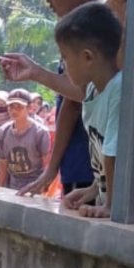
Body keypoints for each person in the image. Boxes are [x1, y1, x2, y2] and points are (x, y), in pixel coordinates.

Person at [0, 0, 96, 198]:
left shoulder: (101, 26)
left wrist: (35, 72)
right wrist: (51, 169)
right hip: (78, 166)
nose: (47, 2)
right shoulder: (76, 29)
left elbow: (85, 92)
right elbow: (72, 102)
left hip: (89, 166)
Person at [55, 2, 121, 218]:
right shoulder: (93, 91)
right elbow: (101, 153)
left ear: (87, 57)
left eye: (65, 57)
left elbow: (112, 153)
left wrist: (111, 206)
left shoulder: (118, 91)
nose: (63, 65)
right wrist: (94, 189)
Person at [0, 89, 51, 191]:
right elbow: (2, 164)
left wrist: (42, 188)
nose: (14, 110)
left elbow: (47, 164)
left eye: (19, 106)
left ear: (29, 108)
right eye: (11, 106)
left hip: (34, 186)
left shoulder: (40, 133)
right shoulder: (3, 131)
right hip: (12, 185)